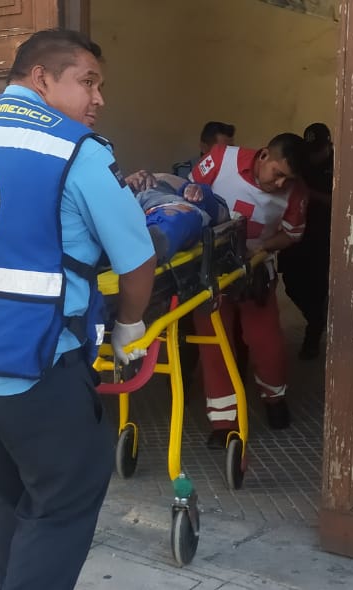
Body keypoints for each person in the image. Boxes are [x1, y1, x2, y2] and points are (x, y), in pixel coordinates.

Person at [0, 29, 156, 590]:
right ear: (42, 78)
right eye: (87, 82)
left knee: (6, 496)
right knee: (64, 500)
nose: (99, 99)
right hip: (37, 369)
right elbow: (137, 260)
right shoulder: (77, 151)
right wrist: (129, 327)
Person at [134, 133, 308, 447]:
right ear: (264, 155)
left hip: (255, 271)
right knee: (214, 345)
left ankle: (274, 398)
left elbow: (291, 235)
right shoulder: (221, 159)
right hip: (209, 271)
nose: (281, 184)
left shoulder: (295, 193)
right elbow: (186, 196)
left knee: (265, 341)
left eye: (288, 180)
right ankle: (223, 423)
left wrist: (262, 249)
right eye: (278, 175)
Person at [279, 122, 333, 360]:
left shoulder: (339, 165)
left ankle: (313, 332)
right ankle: (317, 318)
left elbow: (339, 203)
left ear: (328, 146)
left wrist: (309, 193)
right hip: (296, 235)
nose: (312, 156)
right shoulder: (301, 162)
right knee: (292, 284)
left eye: (317, 151)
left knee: (319, 286)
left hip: (323, 237)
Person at [131, 172, 229, 263]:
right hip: (125, 205)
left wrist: (201, 194)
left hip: (160, 201)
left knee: (179, 217)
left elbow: (222, 215)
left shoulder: (162, 181)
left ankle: (145, 246)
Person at [171, 121, 236, 178]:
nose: (229, 153)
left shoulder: (236, 175)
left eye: (231, 148)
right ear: (204, 147)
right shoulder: (183, 172)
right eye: (223, 149)